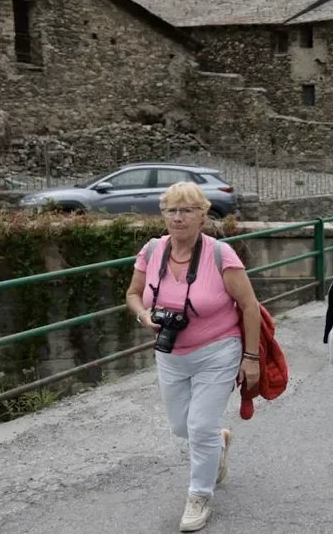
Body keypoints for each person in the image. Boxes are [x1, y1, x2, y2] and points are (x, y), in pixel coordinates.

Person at [125, 182, 263, 532]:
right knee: (180, 426)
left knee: (200, 426)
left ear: (202, 216)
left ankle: (199, 495)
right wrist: (144, 316)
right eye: (171, 210)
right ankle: (219, 443)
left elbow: (249, 306)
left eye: (186, 210)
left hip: (218, 350)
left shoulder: (220, 255)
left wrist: (250, 357)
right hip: (170, 352)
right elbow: (133, 294)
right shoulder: (153, 250)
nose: (178, 217)